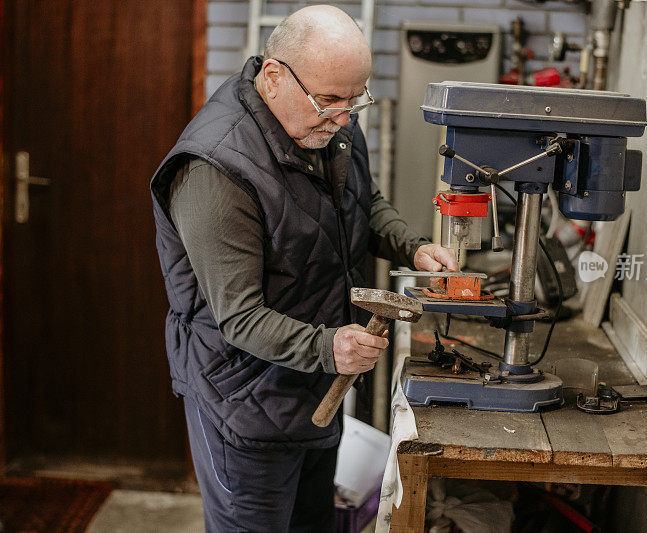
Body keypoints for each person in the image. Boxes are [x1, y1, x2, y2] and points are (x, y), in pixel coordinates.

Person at [150, 5, 456, 532]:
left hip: (316, 391)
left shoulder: (327, 125)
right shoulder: (216, 170)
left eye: (355, 98)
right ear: (274, 77)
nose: (343, 116)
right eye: (330, 100)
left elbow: (361, 203)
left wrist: (413, 247)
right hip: (243, 404)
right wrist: (328, 347)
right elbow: (240, 318)